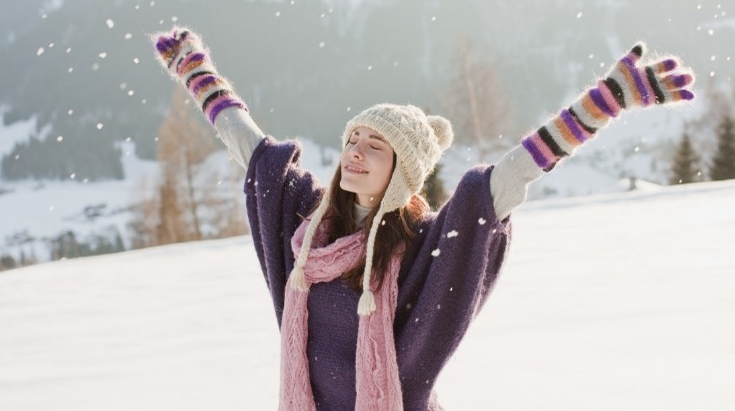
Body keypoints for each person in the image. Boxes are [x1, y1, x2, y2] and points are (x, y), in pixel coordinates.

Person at [152, 28, 695, 410]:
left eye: (376, 147)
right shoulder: (309, 225)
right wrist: (199, 75)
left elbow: (503, 182)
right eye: (352, 141)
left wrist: (600, 105)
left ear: (402, 173)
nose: (355, 154)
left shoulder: (421, 244)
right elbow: (255, 152)